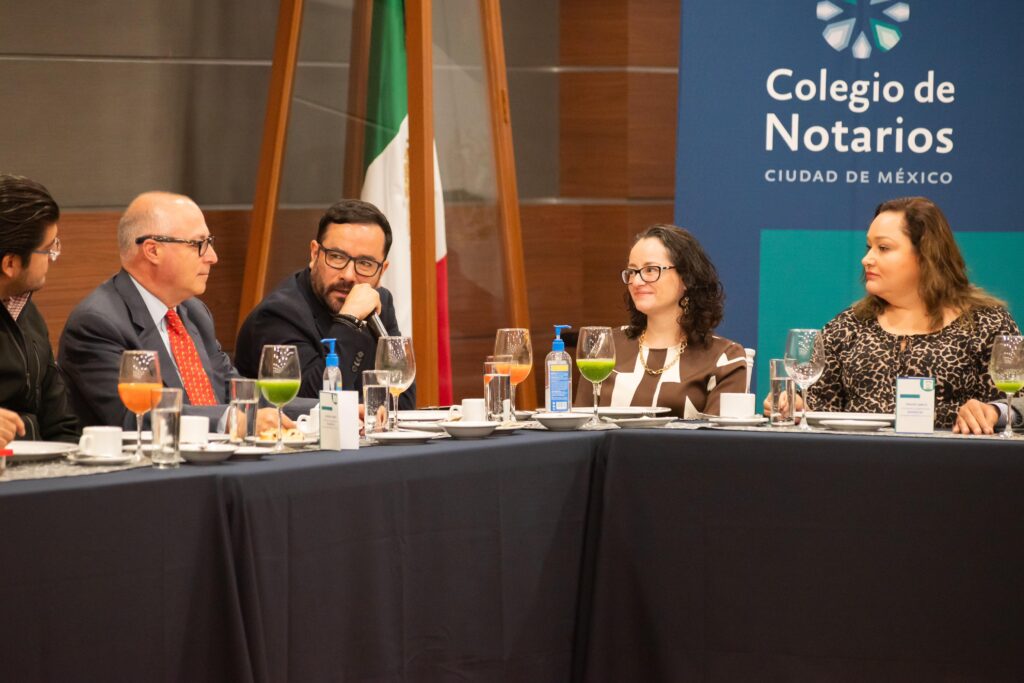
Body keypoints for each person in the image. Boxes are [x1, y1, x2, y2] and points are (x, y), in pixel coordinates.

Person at [58, 191, 296, 431]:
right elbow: (137, 417)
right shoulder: (98, 324)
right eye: (199, 244)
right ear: (153, 251)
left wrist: (312, 411)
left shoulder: (194, 312)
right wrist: (229, 421)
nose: (212, 257)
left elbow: (231, 388)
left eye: (209, 243)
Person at [801, 196, 1019, 431]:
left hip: (951, 453)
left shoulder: (987, 324)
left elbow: (1019, 401)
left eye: (883, 248)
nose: (866, 259)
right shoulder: (847, 326)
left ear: (925, 255)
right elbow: (814, 406)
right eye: (869, 247)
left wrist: (995, 411)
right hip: (860, 454)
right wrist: (794, 404)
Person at [235, 199, 416, 408]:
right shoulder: (278, 315)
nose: (349, 275)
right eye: (337, 257)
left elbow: (402, 402)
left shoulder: (379, 302)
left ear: (382, 271)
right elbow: (313, 403)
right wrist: (349, 319)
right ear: (314, 254)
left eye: (365, 263)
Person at [575, 224, 747, 417]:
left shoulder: (725, 358)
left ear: (686, 278)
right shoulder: (606, 346)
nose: (636, 282)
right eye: (632, 271)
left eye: (650, 270)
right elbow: (581, 425)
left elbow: (721, 435)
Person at [0, 174, 79, 446]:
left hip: (42, 466)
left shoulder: (28, 314)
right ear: (10, 264)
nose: (53, 258)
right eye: (47, 249)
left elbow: (62, 423)